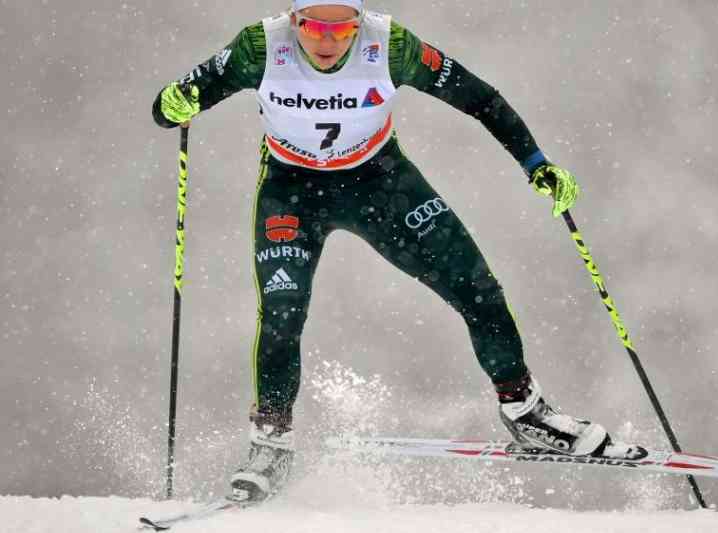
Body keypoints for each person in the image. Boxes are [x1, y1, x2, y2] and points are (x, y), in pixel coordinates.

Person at [152, 0, 609, 502]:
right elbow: (173, 104)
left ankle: (527, 412)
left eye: (343, 30)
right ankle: (271, 444)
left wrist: (536, 163)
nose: (327, 43)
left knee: (477, 288)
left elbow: (480, 98)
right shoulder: (259, 47)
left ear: (360, 23)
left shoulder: (390, 46)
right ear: (294, 21)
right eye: (314, 29)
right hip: (291, 190)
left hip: (380, 184)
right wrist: (174, 103)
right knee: (282, 314)